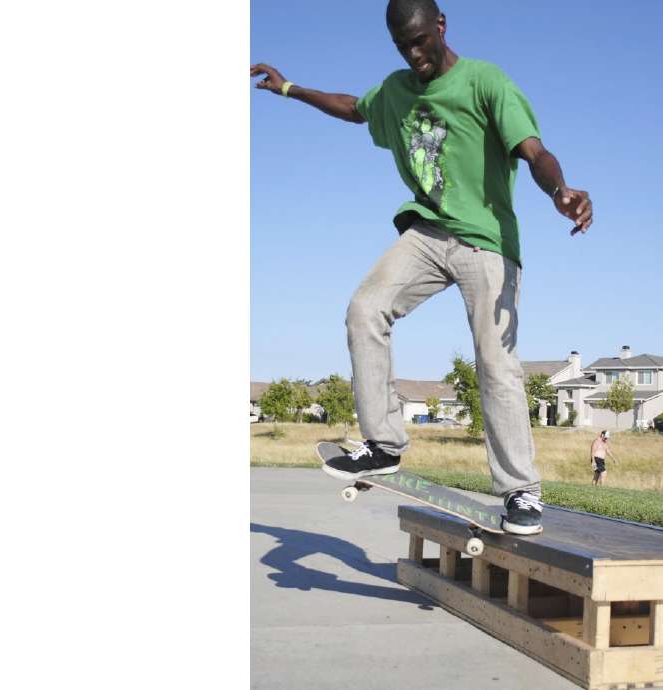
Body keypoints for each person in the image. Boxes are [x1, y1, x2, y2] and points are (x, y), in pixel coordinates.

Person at [250, 0, 593, 536]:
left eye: (420, 41)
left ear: (441, 26)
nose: (414, 55)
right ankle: (384, 445)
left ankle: (521, 490)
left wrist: (560, 191)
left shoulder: (484, 81)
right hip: (428, 233)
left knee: (494, 360)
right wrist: (290, 89)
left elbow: (534, 151)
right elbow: (352, 107)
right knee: (365, 309)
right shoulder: (396, 90)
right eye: (402, 47)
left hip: (486, 242)